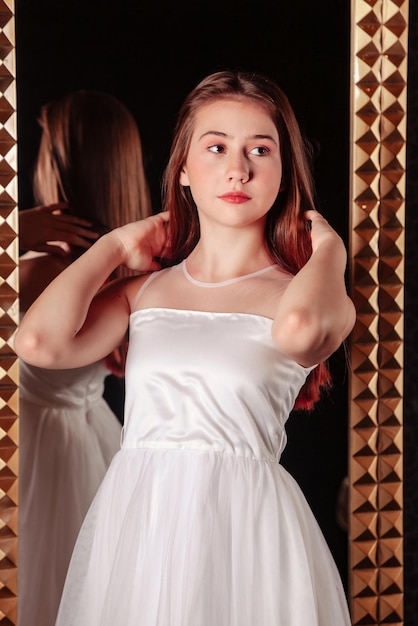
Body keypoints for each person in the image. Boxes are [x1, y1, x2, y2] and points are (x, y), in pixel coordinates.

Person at [14, 71, 356, 625]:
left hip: (246, 533)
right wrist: (114, 245)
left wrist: (329, 250)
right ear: (184, 171)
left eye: (259, 150)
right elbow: (37, 342)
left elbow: (299, 331)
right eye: (216, 147)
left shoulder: (307, 295)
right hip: (140, 526)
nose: (236, 168)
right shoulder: (144, 291)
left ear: (284, 174)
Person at [17, 91, 152, 626]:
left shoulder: (34, 272)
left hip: (31, 446)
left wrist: (8, 233)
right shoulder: (130, 272)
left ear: (57, 163)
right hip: (93, 437)